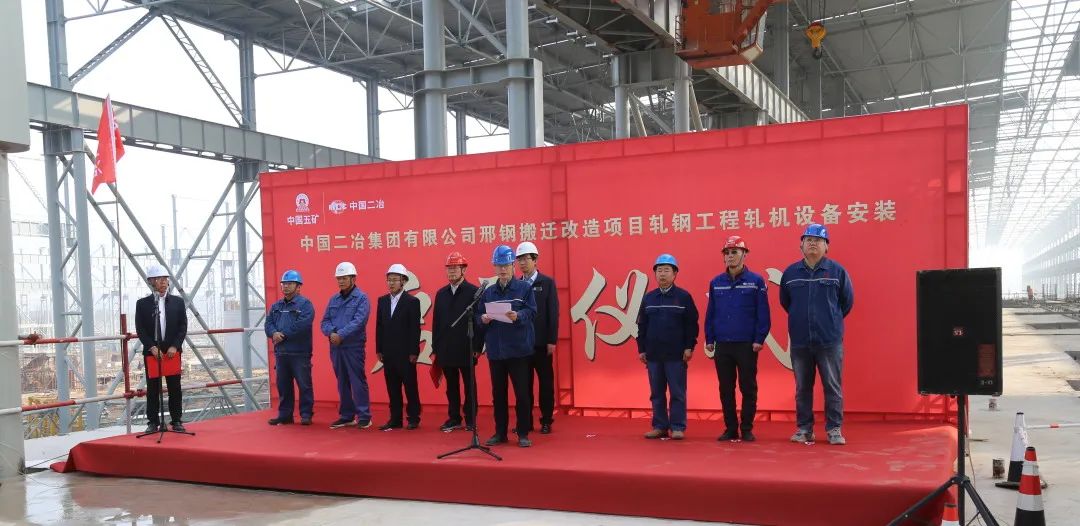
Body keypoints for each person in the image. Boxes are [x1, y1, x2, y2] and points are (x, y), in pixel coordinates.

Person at [779, 223, 854, 445]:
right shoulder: (790, 273)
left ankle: (834, 429)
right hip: (800, 341)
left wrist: (829, 321)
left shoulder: (837, 272)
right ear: (801, 245)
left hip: (829, 341)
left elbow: (846, 303)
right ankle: (804, 429)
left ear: (826, 246)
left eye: (818, 240)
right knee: (803, 388)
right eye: (808, 240)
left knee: (832, 386)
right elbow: (786, 302)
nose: (813, 243)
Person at [704, 236, 770, 442]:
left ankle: (747, 428)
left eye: (735, 252)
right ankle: (730, 428)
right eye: (727, 253)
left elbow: (763, 313)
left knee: (748, 387)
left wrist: (759, 338)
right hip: (723, 344)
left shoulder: (756, 281)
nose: (730, 256)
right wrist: (709, 338)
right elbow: (711, 313)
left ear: (744, 254)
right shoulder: (716, 283)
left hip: (746, 345)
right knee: (726, 388)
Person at [477, 245, 537, 448]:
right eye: (498, 266)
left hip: (518, 351)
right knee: (498, 395)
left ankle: (523, 433)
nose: (502, 269)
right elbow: (478, 315)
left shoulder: (524, 288)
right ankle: (500, 433)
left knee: (522, 394)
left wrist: (518, 315)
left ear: (513, 266)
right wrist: (482, 319)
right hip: (496, 351)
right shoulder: (488, 292)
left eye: (506, 265)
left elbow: (532, 312)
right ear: (494, 267)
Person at [637, 254, 699, 440]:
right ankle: (660, 426)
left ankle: (678, 426)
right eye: (659, 271)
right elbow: (642, 326)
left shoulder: (683, 297)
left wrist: (689, 347)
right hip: (653, 354)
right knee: (656, 393)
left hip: (676, 354)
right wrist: (642, 349)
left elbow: (691, 325)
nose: (662, 274)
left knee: (677, 392)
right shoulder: (649, 298)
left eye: (666, 270)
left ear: (675, 274)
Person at [135, 264, 188, 433]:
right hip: (153, 351)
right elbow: (140, 329)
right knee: (153, 388)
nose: (163, 282)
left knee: (175, 387)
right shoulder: (142, 304)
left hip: (172, 351)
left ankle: (176, 420)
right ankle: (153, 422)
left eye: (165, 279)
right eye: (159, 279)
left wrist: (175, 346)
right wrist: (151, 347)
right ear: (151, 281)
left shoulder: (178, 302)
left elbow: (182, 326)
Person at [432, 252, 482, 432]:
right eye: (449, 268)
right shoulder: (441, 294)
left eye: (455, 268)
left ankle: (471, 419)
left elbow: (479, 322)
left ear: (464, 270)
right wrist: (435, 347)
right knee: (451, 386)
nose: (452, 271)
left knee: (470, 386)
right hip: (446, 348)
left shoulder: (474, 292)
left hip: (466, 347)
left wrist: (478, 346)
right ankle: (454, 417)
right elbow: (436, 322)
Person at [320, 261, 373, 429]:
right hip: (336, 347)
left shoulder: (361, 298)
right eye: (339, 278)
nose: (341, 281)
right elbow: (324, 322)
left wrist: (341, 335)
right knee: (341, 381)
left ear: (353, 278)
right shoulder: (333, 299)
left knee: (357, 380)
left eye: (344, 278)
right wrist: (331, 333)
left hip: (353, 347)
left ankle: (364, 416)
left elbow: (359, 321)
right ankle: (347, 415)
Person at [515, 241, 559, 435]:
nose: (522, 263)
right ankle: (525, 422)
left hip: (541, 343)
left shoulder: (546, 282)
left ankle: (546, 420)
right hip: (521, 344)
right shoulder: (516, 284)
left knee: (545, 384)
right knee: (523, 386)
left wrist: (552, 340)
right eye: (519, 260)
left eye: (526, 259)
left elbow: (553, 313)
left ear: (535, 260)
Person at [265, 270, 316, 426]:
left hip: (299, 352)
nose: (285, 286)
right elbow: (268, 323)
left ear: (298, 287)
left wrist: (283, 334)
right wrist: (273, 333)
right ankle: (285, 415)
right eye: (284, 284)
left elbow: (303, 324)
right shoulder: (276, 306)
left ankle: (306, 414)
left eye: (290, 284)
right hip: (281, 353)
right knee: (283, 385)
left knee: (304, 385)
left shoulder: (305, 305)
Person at [375, 264, 422, 430]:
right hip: (388, 352)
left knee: (410, 386)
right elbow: (379, 326)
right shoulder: (382, 301)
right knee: (392, 387)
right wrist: (379, 349)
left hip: (406, 353)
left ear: (403, 281)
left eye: (395, 280)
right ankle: (395, 418)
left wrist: (414, 351)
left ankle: (413, 417)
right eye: (389, 280)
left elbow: (415, 329)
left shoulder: (412, 302)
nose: (391, 283)